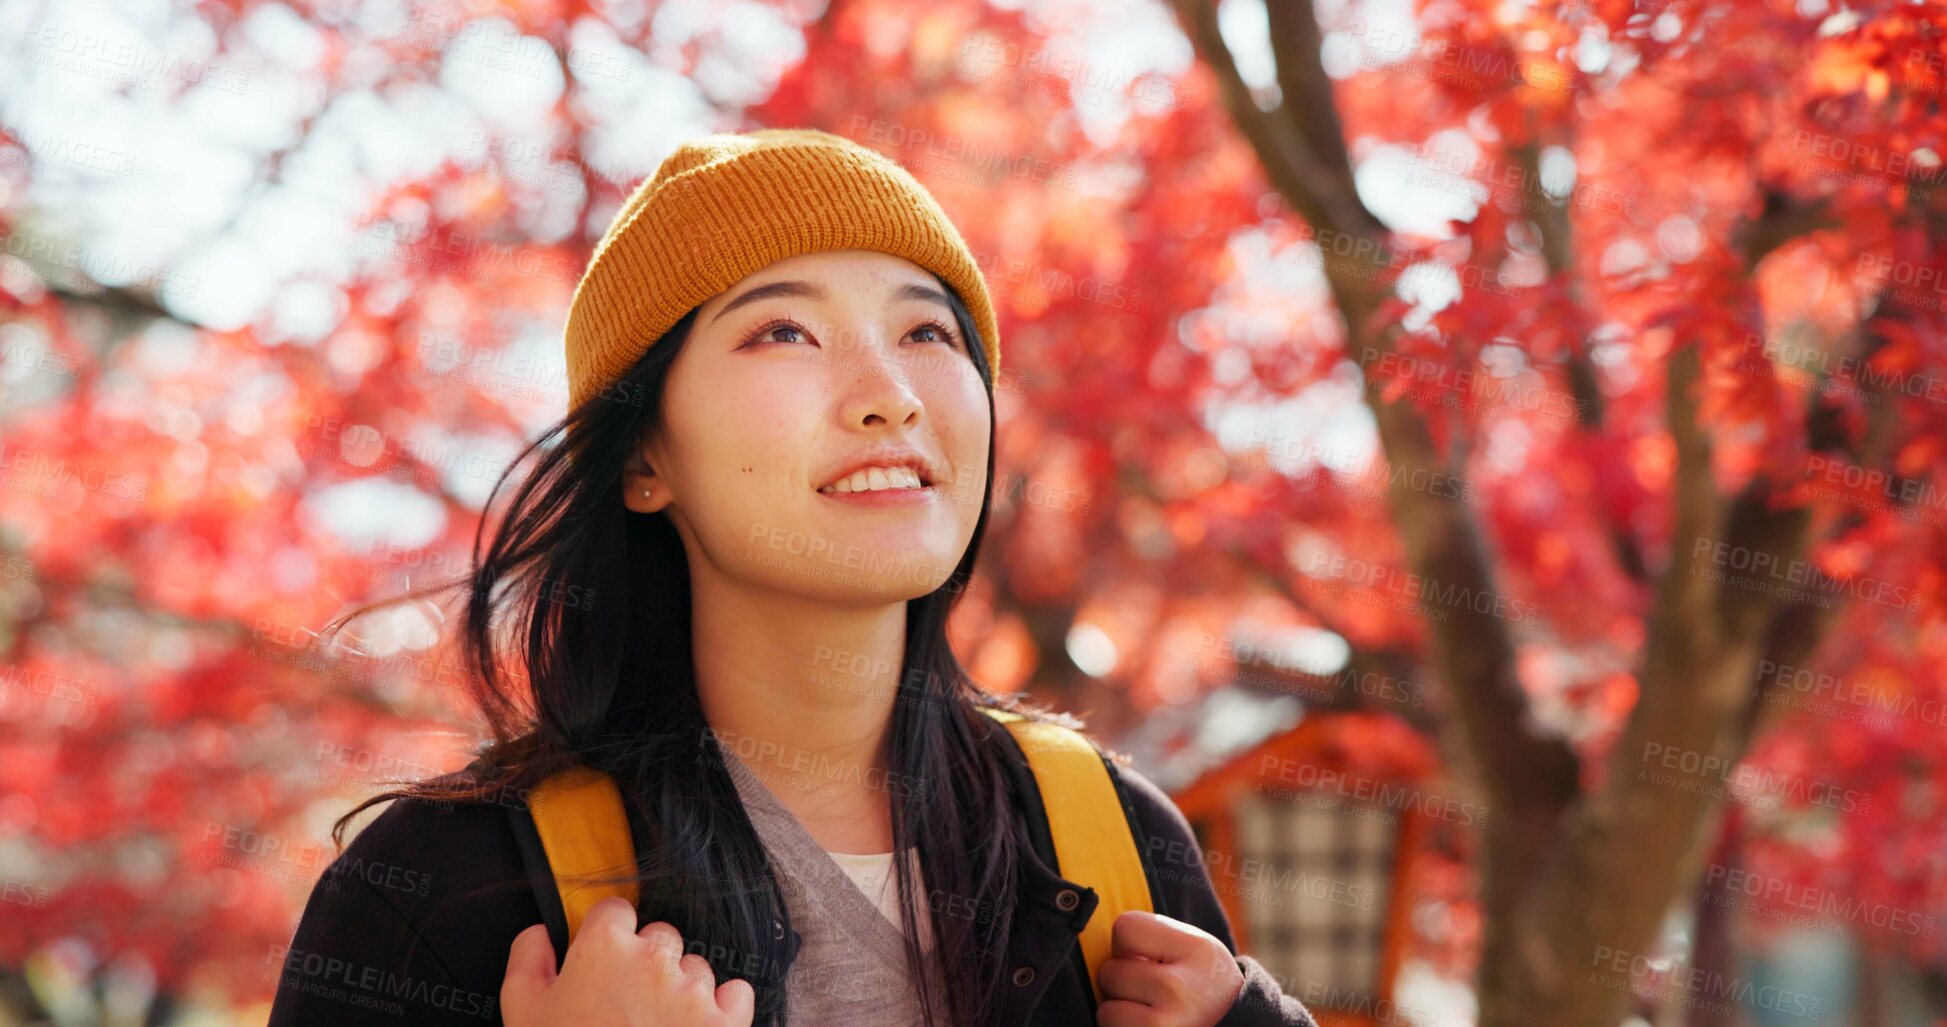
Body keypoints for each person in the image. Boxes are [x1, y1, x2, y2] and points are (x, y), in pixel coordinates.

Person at [265, 128, 1319, 1027]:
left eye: (927, 330)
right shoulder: (444, 891)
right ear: (644, 458)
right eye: (784, 330)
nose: (889, 395)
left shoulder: (1115, 842)